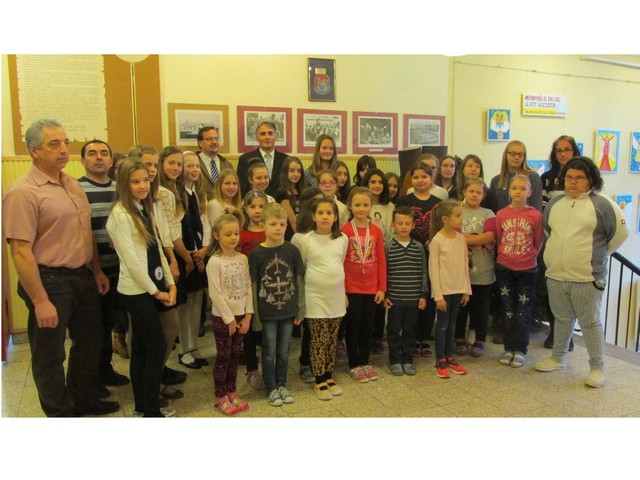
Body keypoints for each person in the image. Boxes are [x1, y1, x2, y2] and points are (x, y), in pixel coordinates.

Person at [3, 119, 118, 417]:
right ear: (34, 151)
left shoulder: (71, 184)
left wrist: (96, 271)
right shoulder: (23, 192)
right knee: (50, 353)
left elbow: (85, 233)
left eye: (65, 142)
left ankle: (83, 399)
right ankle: (60, 413)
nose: (64, 149)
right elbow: (20, 251)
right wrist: (40, 300)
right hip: (49, 281)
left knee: (90, 342)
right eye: (54, 144)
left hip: (83, 276)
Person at [535, 156, 629, 388]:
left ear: (591, 180)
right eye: (569, 177)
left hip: (587, 277)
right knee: (562, 318)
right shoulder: (555, 203)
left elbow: (619, 235)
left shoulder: (603, 205)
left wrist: (599, 256)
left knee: (590, 322)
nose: (573, 182)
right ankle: (558, 358)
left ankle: (597, 368)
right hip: (556, 274)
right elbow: (548, 231)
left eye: (579, 178)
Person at [106, 158, 177, 417]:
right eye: (135, 182)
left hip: (152, 287)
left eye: (145, 180)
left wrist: (170, 282)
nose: (142, 185)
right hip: (137, 292)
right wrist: (156, 292)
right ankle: (151, 410)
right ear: (123, 185)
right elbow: (132, 261)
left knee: (141, 349)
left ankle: (142, 407)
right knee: (156, 347)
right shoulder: (121, 215)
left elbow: (156, 248)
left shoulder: (143, 208)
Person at [128, 145, 186, 390]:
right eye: (146, 165)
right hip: (140, 276)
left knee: (170, 327)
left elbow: (165, 234)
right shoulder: (128, 204)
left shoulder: (162, 195)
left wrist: (172, 260)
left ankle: (157, 371)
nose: (151, 170)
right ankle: (147, 384)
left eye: (154, 165)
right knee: (142, 336)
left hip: (161, 266)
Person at [78, 139, 130, 387]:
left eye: (103, 153)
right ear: (82, 160)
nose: (99, 157)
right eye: (92, 153)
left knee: (109, 321)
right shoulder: (76, 189)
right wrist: (94, 267)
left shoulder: (120, 189)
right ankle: (90, 380)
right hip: (89, 271)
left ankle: (105, 369)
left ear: (111, 160)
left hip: (119, 268)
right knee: (90, 329)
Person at [249, 203, 305, 407]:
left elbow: (298, 281)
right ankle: (271, 387)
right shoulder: (257, 254)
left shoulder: (292, 250)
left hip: (288, 309)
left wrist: (301, 308)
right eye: (273, 224)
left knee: (284, 350)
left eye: (282, 224)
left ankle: (282, 384)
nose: (278, 228)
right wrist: (255, 316)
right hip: (267, 312)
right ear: (262, 225)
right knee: (269, 350)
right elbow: (254, 286)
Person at [296, 198, 348, 400]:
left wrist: (343, 293)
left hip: (336, 296)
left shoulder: (342, 239)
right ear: (313, 216)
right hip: (314, 296)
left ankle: (329, 375)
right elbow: (302, 268)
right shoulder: (306, 240)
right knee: (319, 339)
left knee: (332, 339)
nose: (325, 216)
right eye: (320, 213)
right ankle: (319, 380)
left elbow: (340, 264)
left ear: (335, 217)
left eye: (329, 213)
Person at [206, 210, 253, 415]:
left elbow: (248, 286)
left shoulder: (242, 258)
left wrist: (248, 315)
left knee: (235, 357)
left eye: (236, 233)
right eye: (228, 234)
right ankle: (220, 397)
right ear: (217, 235)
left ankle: (232, 392)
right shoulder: (214, 262)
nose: (233, 237)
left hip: (241, 316)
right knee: (224, 357)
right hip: (223, 318)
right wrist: (229, 320)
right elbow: (215, 294)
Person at [495, 175, 543, 368]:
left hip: (527, 269)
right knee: (507, 309)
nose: (518, 191)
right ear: (509, 191)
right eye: (514, 188)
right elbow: (499, 237)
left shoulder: (536, 216)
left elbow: (538, 241)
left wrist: (529, 256)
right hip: (505, 267)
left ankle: (520, 349)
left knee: (523, 310)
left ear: (529, 192)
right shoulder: (501, 214)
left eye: (523, 188)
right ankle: (508, 347)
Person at [341, 187, 387, 383]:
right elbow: (340, 262)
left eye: (365, 205)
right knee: (353, 327)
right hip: (351, 287)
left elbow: (381, 260)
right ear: (350, 206)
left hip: (371, 288)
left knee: (368, 327)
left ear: (371, 206)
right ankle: (354, 364)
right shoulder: (344, 231)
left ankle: (365, 361)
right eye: (357, 204)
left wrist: (382, 288)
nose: (361, 208)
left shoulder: (376, 231)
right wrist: (342, 290)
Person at [539, 135, 580, 349]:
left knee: (570, 289)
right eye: (559, 150)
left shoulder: (583, 177)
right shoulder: (547, 178)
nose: (563, 154)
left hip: (575, 242)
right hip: (552, 239)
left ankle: (568, 335)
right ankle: (554, 331)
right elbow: (544, 209)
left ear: (574, 151)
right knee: (551, 287)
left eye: (567, 149)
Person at [396, 162, 440, 357]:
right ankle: (411, 338)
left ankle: (424, 338)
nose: (420, 180)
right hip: (410, 253)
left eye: (424, 176)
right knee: (413, 296)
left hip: (432, 254)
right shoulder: (404, 201)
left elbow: (440, 227)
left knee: (428, 295)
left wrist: (432, 242)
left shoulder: (438, 202)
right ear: (410, 180)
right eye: (416, 177)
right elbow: (401, 225)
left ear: (431, 178)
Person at [175, 151, 211, 369]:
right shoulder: (177, 194)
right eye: (189, 166)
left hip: (198, 255)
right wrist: (189, 255)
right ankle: (183, 349)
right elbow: (176, 229)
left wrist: (204, 249)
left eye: (197, 166)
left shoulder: (198, 193)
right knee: (184, 304)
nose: (195, 170)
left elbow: (204, 224)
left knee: (197, 300)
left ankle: (193, 346)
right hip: (184, 255)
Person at [428, 200, 471, 379]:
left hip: (458, 289)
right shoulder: (437, 241)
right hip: (444, 292)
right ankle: (440, 359)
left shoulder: (461, 239)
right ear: (446, 219)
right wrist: (438, 296)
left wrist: (466, 289)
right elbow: (433, 270)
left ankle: (450, 356)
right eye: (458, 215)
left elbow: (464, 265)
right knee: (442, 326)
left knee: (452, 325)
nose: (461, 218)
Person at [454, 178, 496, 358]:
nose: (474, 195)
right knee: (461, 308)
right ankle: (459, 338)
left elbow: (490, 236)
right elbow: (454, 235)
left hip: (484, 270)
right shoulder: (457, 211)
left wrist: (469, 239)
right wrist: (477, 240)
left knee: (481, 308)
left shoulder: (488, 213)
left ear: (483, 195)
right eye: (471, 191)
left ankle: (480, 339)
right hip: (460, 270)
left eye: (478, 192)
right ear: (464, 192)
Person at [385, 206, 428, 376]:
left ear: (413, 225)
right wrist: (386, 294)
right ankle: (395, 360)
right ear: (393, 224)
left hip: (413, 298)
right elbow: (385, 272)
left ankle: (407, 359)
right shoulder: (388, 246)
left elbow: (423, 272)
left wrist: (423, 294)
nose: (403, 226)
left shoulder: (418, 247)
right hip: (394, 299)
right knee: (394, 330)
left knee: (410, 330)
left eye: (407, 223)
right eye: (400, 223)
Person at [290, 187, 324, 383]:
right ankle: (305, 363)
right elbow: (298, 270)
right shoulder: (299, 237)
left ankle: (321, 360)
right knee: (310, 330)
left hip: (324, 288)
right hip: (307, 289)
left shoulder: (326, 234)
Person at [363, 168, 394, 354]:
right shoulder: (362, 205)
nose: (377, 185)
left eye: (380, 182)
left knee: (381, 296)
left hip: (383, 256)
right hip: (364, 258)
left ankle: (377, 337)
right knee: (367, 299)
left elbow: (392, 232)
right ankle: (366, 336)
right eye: (372, 182)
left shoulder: (390, 207)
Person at [239, 189, 268, 390]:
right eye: (253, 206)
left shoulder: (270, 230)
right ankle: (251, 368)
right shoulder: (241, 234)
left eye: (261, 206)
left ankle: (268, 366)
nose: (257, 211)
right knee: (249, 329)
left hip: (268, 287)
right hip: (249, 287)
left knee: (267, 329)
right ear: (245, 209)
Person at [490, 140, 543, 212]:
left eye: (520, 154)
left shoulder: (533, 177)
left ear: (524, 157)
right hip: (502, 219)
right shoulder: (496, 181)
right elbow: (493, 211)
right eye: (513, 153)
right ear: (506, 155)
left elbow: (537, 208)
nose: (516, 157)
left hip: (526, 219)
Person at [238, 121, 287, 197]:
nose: (267, 137)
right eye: (263, 134)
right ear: (257, 138)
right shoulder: (245, 159)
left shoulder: (286, 160)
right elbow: (243, 187)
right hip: (254, 201)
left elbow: (288, 186)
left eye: (270, 133)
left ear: (276, 136)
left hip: (280, 202)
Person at [195, 126, 234, 200]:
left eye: (216, 138)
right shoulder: (193, 164)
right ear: (200, 143)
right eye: (209, 139)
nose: (214, 142)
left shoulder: (227, 165)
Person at [275, 156, 304, 240]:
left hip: (302, 232)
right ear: (285, 172)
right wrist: (302, 240)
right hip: (291, 236)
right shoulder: (282, 193)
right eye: (292, 171)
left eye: (298, 171)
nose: (296, 174)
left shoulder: (302, 191)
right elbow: (293, 221)